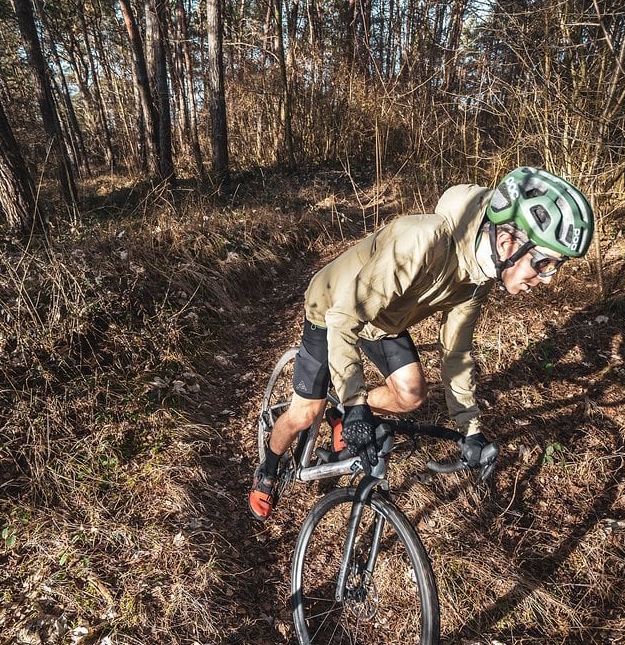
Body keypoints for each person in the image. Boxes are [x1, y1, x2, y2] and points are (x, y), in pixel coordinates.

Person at [249, 167, 595, 521]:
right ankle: (269, 467)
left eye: (555, 266)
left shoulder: (479, 276)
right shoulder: (422, 241)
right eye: (543, 263)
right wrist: (355, 402)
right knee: (306, 413)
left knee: (411, 394)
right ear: (507, 244)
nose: (549, 279)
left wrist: (471, 431)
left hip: (384, 321)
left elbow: (456, 353)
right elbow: (345, 317)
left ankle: (339, 417)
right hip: (334, 308)